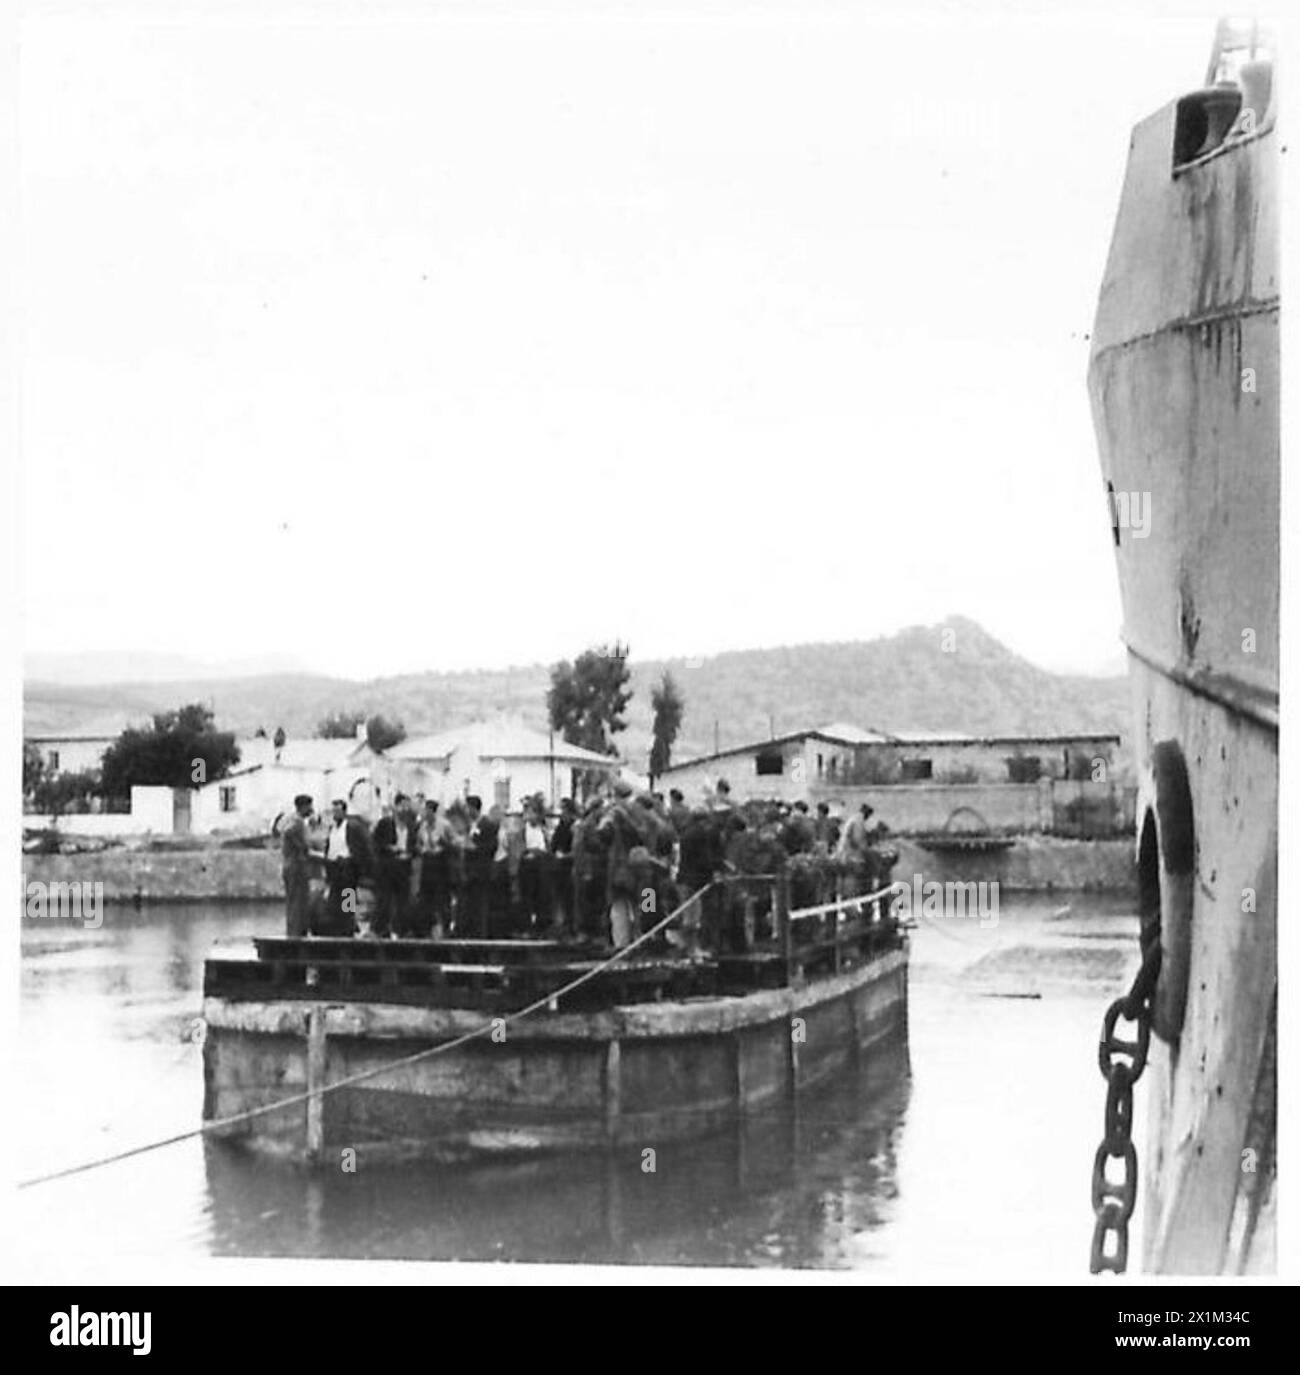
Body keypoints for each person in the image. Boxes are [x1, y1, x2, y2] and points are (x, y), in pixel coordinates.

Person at [371, 794, 417, 937]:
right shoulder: (385, 823)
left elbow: (414, 845)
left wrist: (411, 853)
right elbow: (375, 843)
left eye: (407, 805)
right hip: (387, 866)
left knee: (403, 900)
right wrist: (389, 848)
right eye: (402, 805)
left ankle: (401, 929)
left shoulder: (412, 825)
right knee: (383, 900)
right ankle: (379, 929)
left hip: (404, 866)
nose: (405, 809)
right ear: (395, 806)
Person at [321, 799, 370, 935]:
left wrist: (356, 864)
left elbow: (361, 847)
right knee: (335, 897)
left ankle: (348, 925)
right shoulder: (332, 829)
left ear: (344, 812)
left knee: (348, 895)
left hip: (347, 866)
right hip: (334, 866)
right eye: (333, 811)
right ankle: (337, 924)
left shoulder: (352, 827)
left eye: (338, 811)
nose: (335, 814)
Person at [415, 799, 453, 937]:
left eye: (427, 810)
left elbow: (452, 844)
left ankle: (445, 927)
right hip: (427, 862)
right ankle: (426, 926)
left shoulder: (444, 825)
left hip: (440, 863)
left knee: (442, 897)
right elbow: (418, 842)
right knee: (426, 898)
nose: (425, 813)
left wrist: (444, 845)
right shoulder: (422, 826)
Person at [280, 793, 315, 936]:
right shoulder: (297, 822)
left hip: (291, 865)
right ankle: (296, 933)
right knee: (298, 901)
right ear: (303, 806)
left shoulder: (291, 819)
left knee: (294, 901)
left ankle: (294, 931)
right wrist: (302, 847)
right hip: (296, 866)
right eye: (310, 806)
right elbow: (289, 833)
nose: (312, 809)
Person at [464, 795, 498, 938]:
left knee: (482, 903)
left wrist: (476, 848)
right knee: (469, 904)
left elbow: (492, 846)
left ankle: (482, 932)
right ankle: (469, 931)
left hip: (482, 870)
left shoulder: (487, 824)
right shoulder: (467, 826)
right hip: (469, 871)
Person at [518, 795, 552, 934]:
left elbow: (547, 847)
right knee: (526, 897)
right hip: (527, 864)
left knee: (541, 897)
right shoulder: (522, 830)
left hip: (541, 865)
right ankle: (527, 926)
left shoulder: (543, 830)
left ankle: (541, 925)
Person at [549, 797, 578, 935]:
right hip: (560, 867)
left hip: (647, 869)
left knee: (647, 894)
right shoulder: (562, 827)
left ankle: (647, 929)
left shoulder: (574, 827)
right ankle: (646, 929)